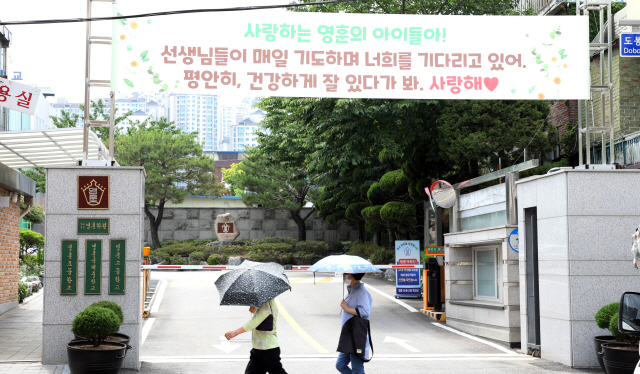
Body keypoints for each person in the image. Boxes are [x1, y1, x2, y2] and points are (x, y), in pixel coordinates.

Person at [225, 298, 288, 374]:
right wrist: (256, 309)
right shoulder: (265, 303)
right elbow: (261, 319)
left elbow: (254, 322)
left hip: (268, 349)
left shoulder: (266, 303)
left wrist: (235, 332)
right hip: (259, 349)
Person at [336, 273, 372, 374]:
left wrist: (347, 308)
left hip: (356, 336)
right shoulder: (352, 290)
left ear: (351, 276)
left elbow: (365, 311)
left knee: (357, 369)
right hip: (348, 336)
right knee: (340, 365)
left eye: (346, 273)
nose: (344, 275)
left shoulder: (361, 292)